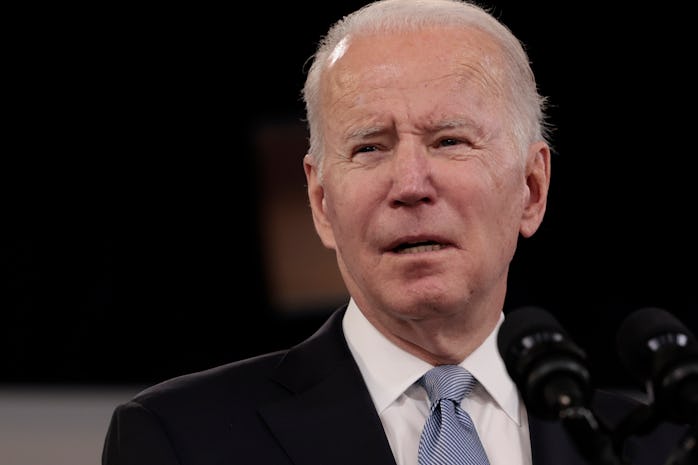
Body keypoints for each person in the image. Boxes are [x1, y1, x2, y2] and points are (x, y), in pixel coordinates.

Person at [102, 1, 689, 464]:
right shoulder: (181, 440)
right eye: (369, 147)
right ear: (321, 202)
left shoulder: (655, 446)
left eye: (450, 141)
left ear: (531, 190)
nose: (410, 183)